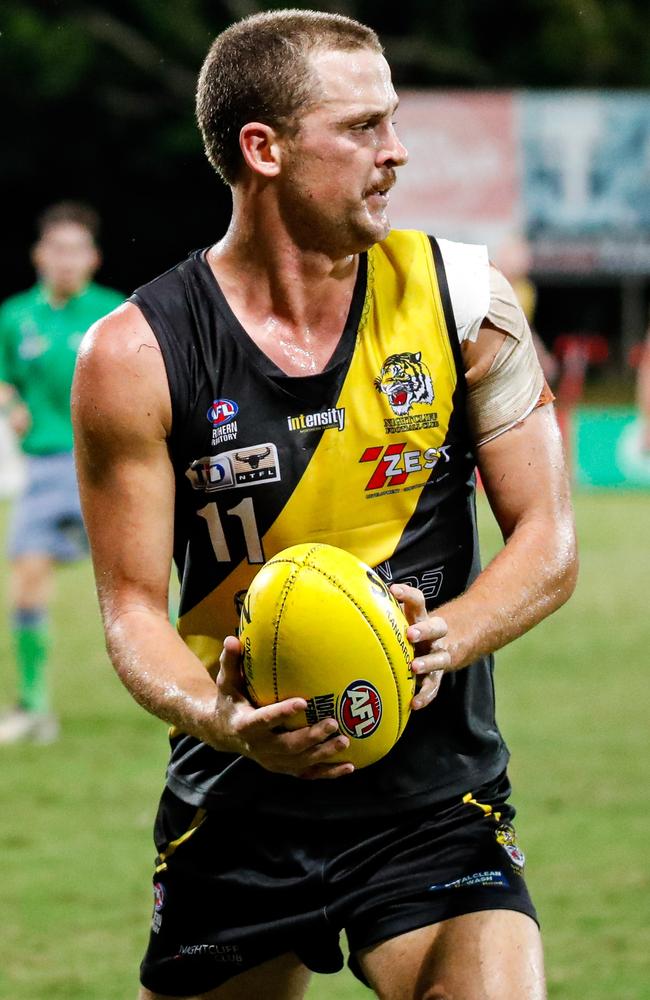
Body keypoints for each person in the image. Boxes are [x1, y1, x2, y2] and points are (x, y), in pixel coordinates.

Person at [72, 11, 578, 1000]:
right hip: (238, 808)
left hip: (435, 799)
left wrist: (431, 641)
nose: (395, 153)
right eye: (360, 128)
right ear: (263, 149)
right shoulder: (133, 354)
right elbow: (131, 604)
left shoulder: (468, 302)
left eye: (390, 122)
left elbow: (547, 541)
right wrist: (219, 716)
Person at [0, 202, 122, 744]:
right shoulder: (14, 316)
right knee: (25, 586)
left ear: (93, 258)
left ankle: (200, 689)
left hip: (105, 469)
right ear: (38, 256)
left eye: (76, 250)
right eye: (57, 250)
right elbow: (5, 379)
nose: (66, 261)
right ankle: (34, 707)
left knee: (145, 587)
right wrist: (11, 401)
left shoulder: (115, 313)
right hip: (47, 468)